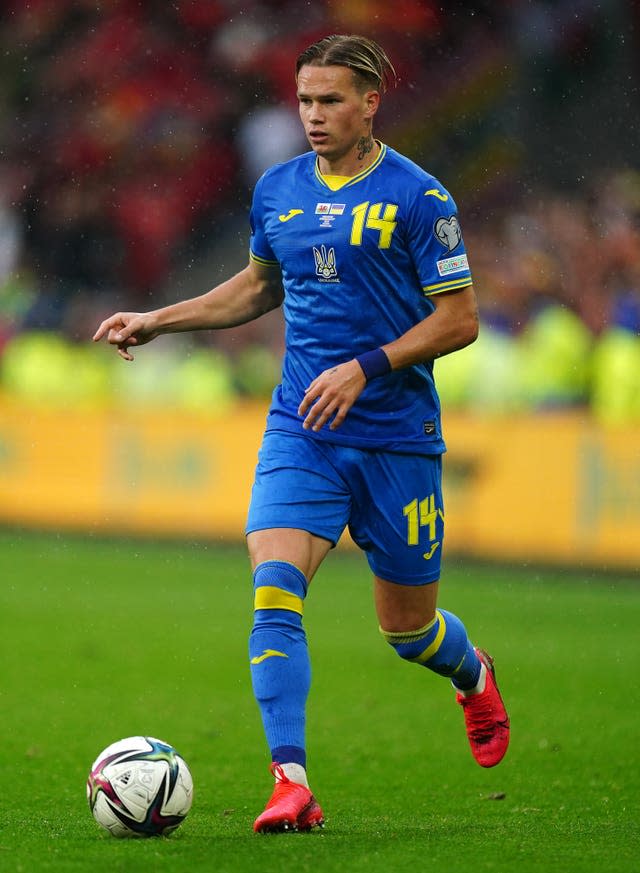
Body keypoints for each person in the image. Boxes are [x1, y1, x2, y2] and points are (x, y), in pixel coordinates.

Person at [93, 33, 510, 834]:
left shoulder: (421, 197)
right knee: (274, 590)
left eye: (330, 101)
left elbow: (460, 321)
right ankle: (291, 780)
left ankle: (472, 670)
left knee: (410, 631)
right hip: (302, 428)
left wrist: (365, 364)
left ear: (369, 103)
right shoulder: (277, 188)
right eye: (305, 101)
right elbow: (257, 286)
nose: (313, 117)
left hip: (395, 437)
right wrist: (160, 319)